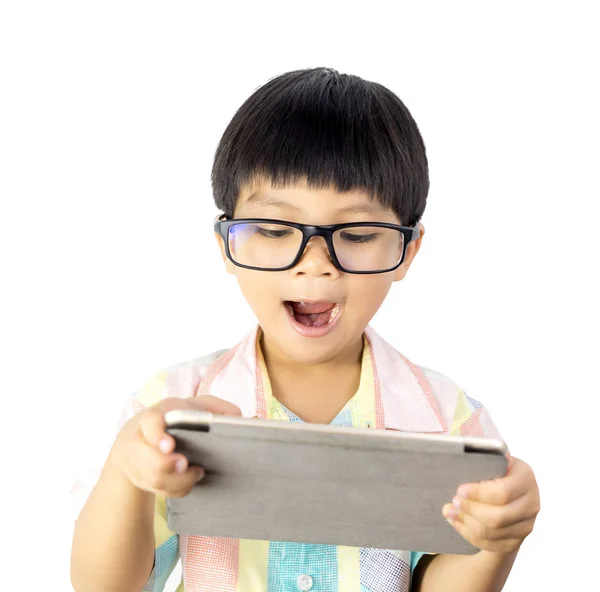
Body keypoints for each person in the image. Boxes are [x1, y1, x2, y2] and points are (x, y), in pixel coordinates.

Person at [70, 67, 540, 592]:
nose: (315, 264)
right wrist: (125, 472)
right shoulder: (171, 407)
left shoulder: (452, 421)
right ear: (227, 242)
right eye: (274, 229)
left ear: (407, 249)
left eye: (358, 233)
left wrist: (496, 541)